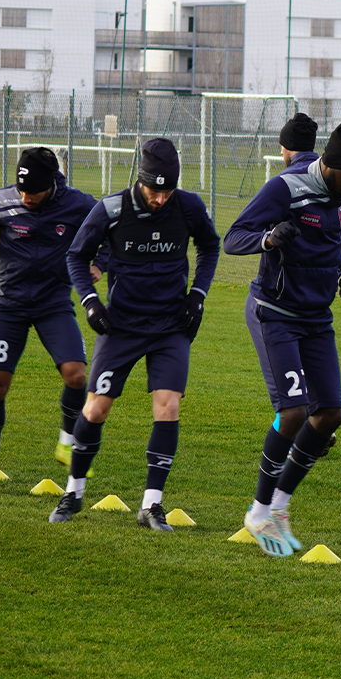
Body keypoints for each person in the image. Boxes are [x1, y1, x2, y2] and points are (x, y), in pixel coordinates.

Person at [223, 120, 341, 556]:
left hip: (316, 316)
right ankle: (258, 511)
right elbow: (232, 239)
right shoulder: (285, 188)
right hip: (274, 312)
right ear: (328, 164)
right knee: (293, 412)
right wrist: (268, 239)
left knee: (330, 414)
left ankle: (279, 507)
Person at [50, 139, 219, 532]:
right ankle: (73, 492)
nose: (160, 199)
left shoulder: (188, 206)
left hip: (171, 326)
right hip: (121, 326)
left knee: (168, 406)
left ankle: (151, 505)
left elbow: (210, 248)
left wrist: (197, 295)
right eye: (154, 191)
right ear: (140, 180)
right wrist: (90, 301)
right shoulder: (111, 209)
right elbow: (76, 255)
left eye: (167, 191)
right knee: (96, 409)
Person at [0, 147, 108, 494]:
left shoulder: (78, 204)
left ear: (51, 184)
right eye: (21, 190)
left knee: (77, 375)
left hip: (53, 303)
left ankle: (66, 444)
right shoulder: (2, 199)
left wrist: (99, 263)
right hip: (8, 305)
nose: (25, 197)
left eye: (32, 192)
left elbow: (110, 232)